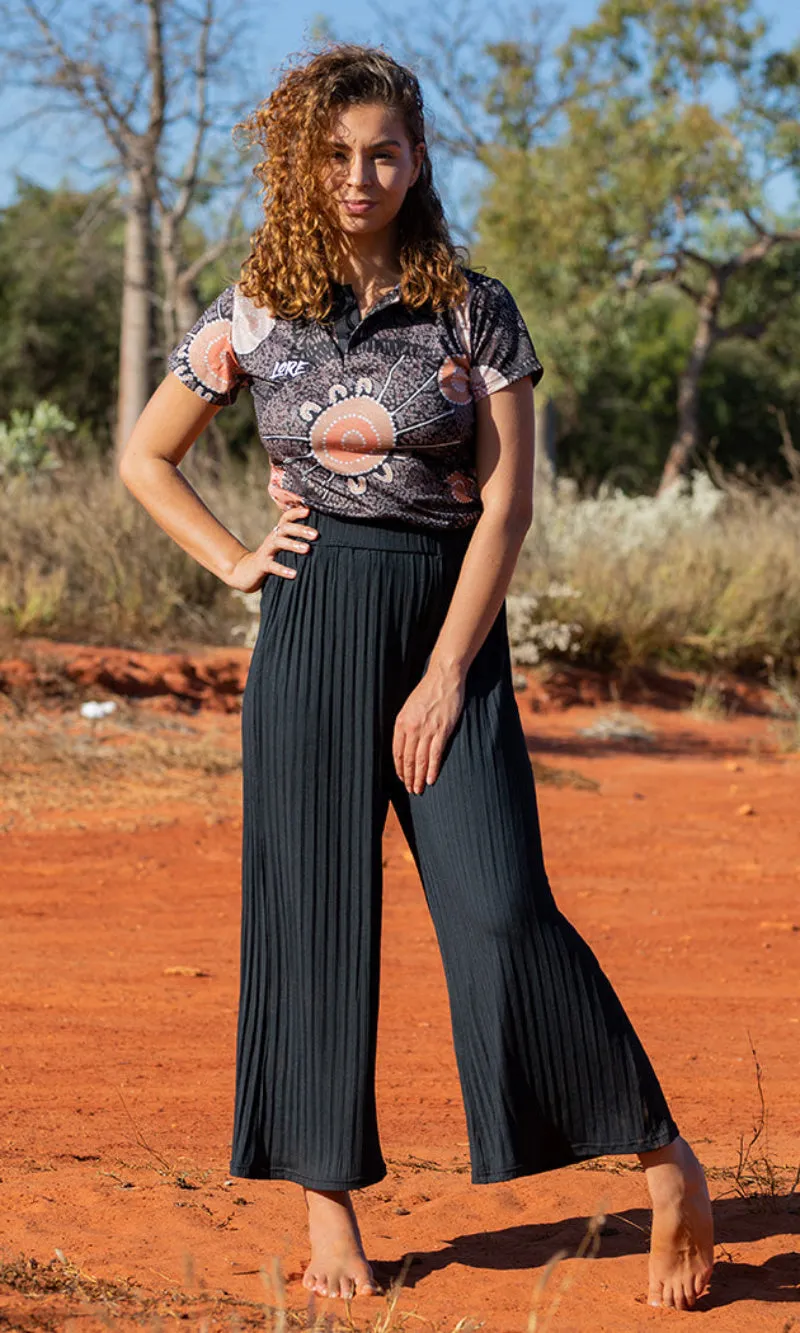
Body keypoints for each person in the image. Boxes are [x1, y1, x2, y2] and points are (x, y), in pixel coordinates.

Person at [119, 41, 714, 1314]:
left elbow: (504, 506)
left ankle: (663, 1159)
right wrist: (232, 558)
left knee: (499, 907)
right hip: (311, 623)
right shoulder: (251, 312)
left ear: (418, 155)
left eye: (382, 151)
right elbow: (146, 456)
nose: (358, 176)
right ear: (298, 163)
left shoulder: (472, 307)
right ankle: (327, 1200)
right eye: (332, 155)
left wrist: (447, 674)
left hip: (449, 632)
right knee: (311, 919)